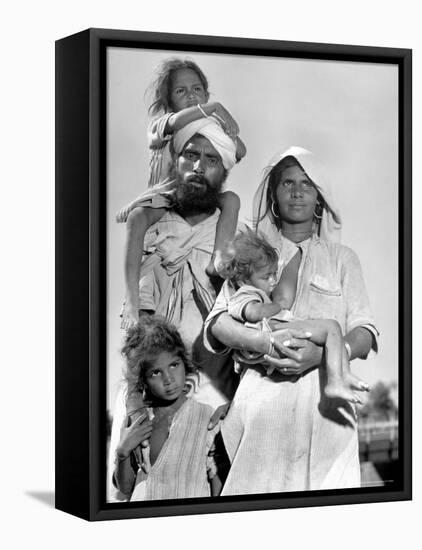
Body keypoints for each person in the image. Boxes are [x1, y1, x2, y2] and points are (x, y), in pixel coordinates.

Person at [204, 146, 379, 495]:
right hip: (262, 408)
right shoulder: (250, 253)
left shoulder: (342, 259)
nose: (297, 191)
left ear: (319, 197)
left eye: (307, 183)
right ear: (273, 194)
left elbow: (364, 330)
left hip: (326, 412)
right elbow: (219, 323)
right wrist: (264, 343)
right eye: (287, 183)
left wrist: (323, 355)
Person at [108, 120, 239, 502]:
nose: (199, 166)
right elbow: (134, 309)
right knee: (132, 473)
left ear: (223, 171)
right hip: (150, 366)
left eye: (211, 159)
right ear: (176, 161)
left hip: (209, 368)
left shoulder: (229, 226)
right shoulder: (151, 219)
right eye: (191, 156)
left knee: (217, 476)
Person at [117, 59, 247, 327]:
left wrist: (224, 130)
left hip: (198, 192)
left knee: (231, 199)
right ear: (168, 100)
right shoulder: (164, 122)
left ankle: (220, 257)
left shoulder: (208, 127)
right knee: (138, 218)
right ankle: (132, 299)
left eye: (197, 89)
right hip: (165, 196)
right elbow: (176, 122)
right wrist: (212, 109)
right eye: (181, 91)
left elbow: (240, 152)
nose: (191, 96)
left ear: (205, 91)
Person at [219, 228, 370, 403]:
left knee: (332, 332)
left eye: (275, 273)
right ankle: (335, 380)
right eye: (267, 276)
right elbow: (253, 313)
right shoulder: (244, 293)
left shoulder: (252, 289)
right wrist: (277, 306)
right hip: (273, 329)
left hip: (274, 331)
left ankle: (341, 375)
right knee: (332, 327)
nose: (273, 280)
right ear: (242, 279)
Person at [113, 315, 221, 501]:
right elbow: (126, 487)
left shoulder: (206, 416)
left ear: (184, 363)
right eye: (156, 372)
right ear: (143, 379)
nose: (168, 379)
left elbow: (216, 479)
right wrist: (123, 452)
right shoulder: (139, 422)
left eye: (173, 365)